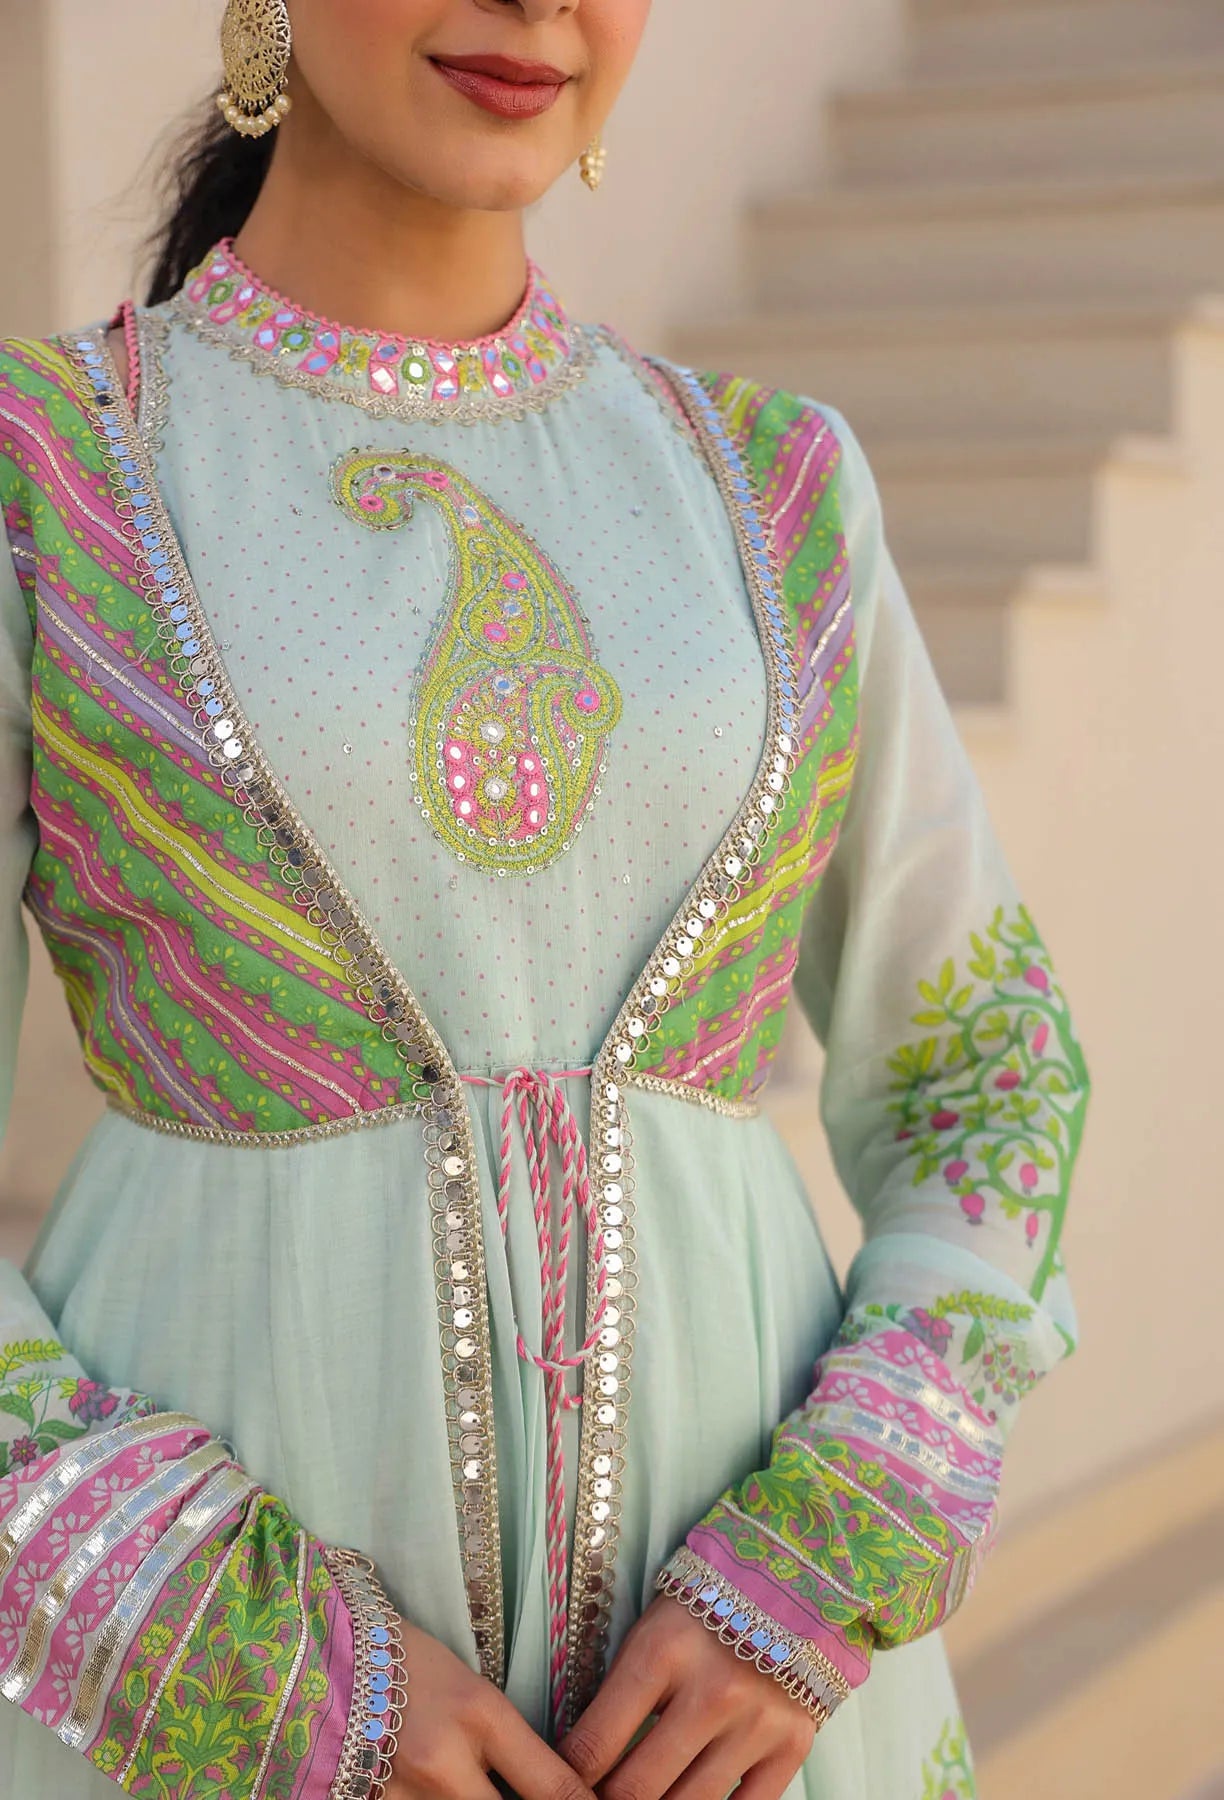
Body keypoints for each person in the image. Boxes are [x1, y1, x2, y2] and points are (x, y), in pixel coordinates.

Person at [0, 2, 1091, 1796]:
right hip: (212, 1720)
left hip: (755, 1725)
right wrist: (240, 1656)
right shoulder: (56, 471)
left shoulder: (775, 490)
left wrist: (832, 1547)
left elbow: (985, 1061)